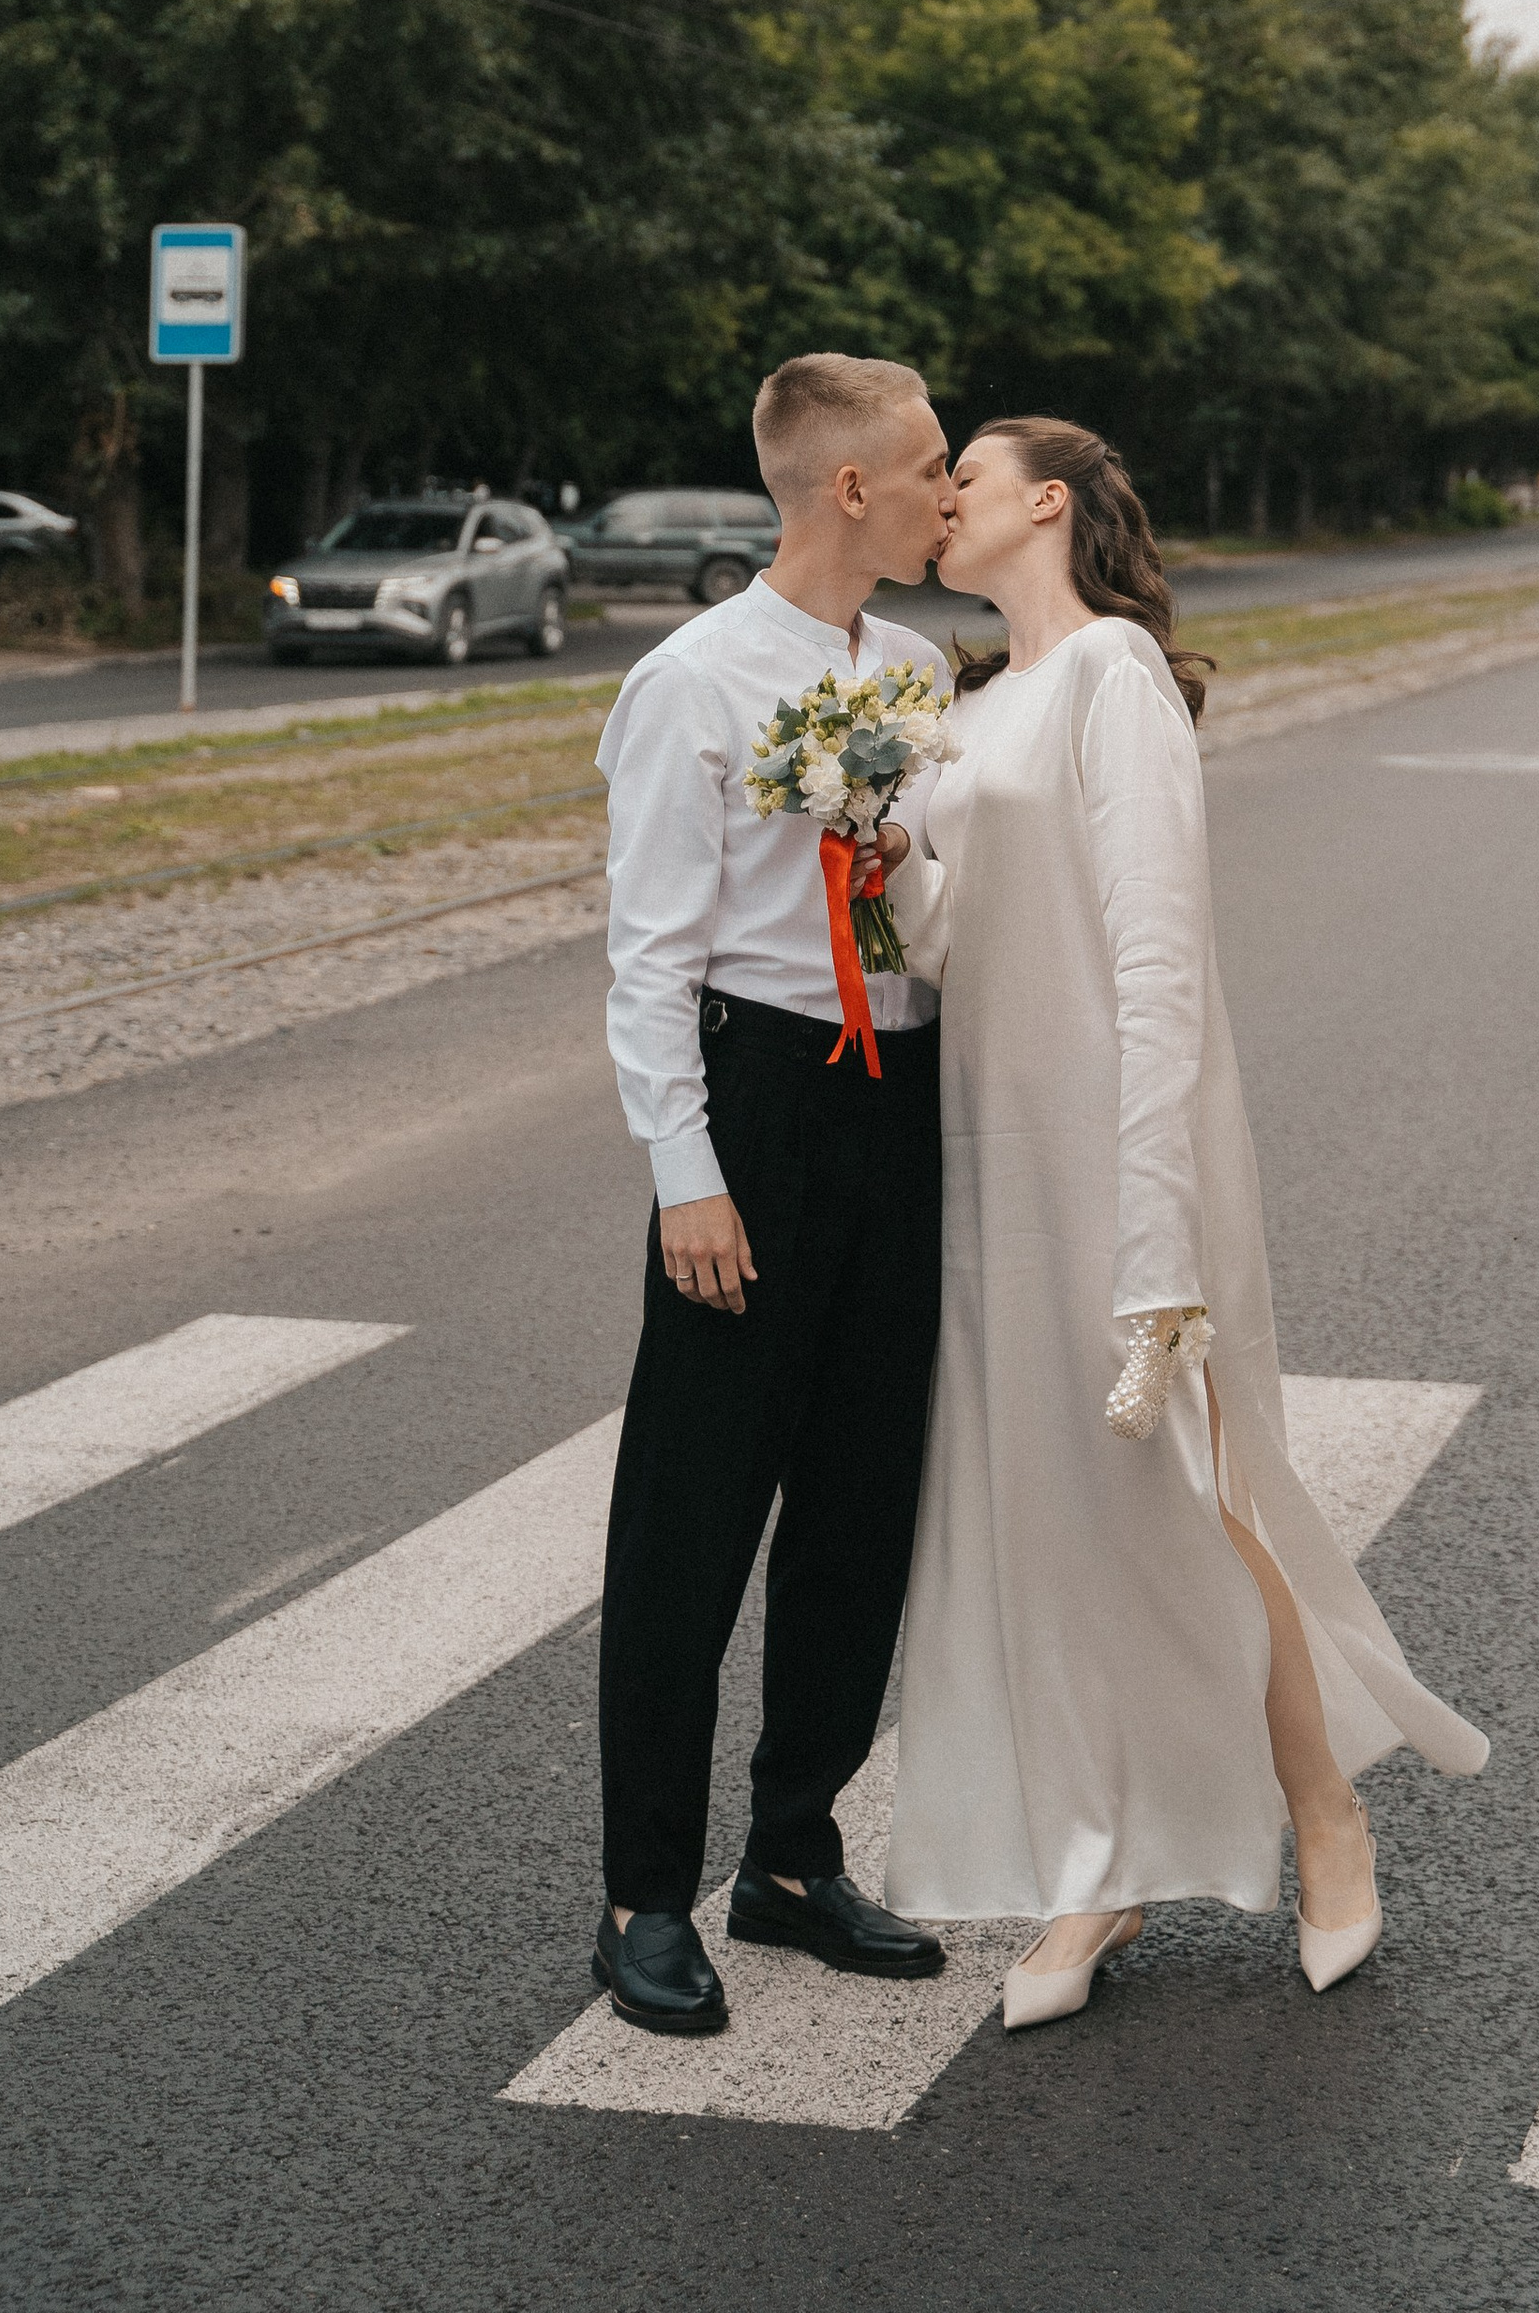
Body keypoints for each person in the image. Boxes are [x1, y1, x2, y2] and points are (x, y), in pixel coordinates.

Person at [880, 417, 1486, 2028]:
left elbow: (1154, 958)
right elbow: (951, 945)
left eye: (971, 478)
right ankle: (1099, 1874)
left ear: (1048, 505)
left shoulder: (1111, 681)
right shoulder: (974, 703)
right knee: (1053, 1519)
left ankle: (1328, 1817)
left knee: (1191, 1495)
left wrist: (1158, 1236)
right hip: (992, 1153)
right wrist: (882, 849)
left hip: (1113, 1145)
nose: (943, 501)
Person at [588, 353, 958, 2034]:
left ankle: (794, 1856)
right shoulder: (695, 682)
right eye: (933, 462)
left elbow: (929, 901)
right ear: (851, 488)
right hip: (753, 1100)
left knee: (862, 1504)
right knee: (693, 1517)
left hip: (899, 1098)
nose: (953, 485)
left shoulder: (921, 665)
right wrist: (689, 1180)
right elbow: (650, 961)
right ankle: (642, 1896)